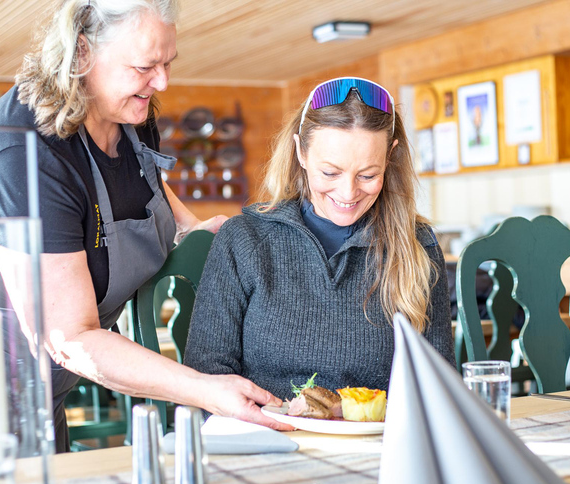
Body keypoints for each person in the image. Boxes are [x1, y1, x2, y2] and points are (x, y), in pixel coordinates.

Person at [0, 0, 290, 466]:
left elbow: (141, 185)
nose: (162, 83)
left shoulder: (129, 114)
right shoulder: (20, 155)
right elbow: (70, 337)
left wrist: (192, 228)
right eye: (144, 66)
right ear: (81, 53)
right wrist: (203, 389)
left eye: (168, 63)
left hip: (48, 373)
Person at [184, 77, 454, 400]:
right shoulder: (244, 241)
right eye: (330, 173)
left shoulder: (417, 247)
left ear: (390, 158)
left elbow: (440, 387)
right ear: (301, 152)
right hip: (268, 442)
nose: (348, 192)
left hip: (378, 447)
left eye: (368, 175)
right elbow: (205, 382)